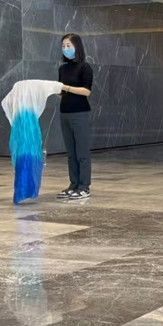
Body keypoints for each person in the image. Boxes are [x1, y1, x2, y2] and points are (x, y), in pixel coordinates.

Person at [56, 33, 94, 200]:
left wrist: (66, 87)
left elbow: (86, 91)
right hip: (65, 113)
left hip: (80, 113)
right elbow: (62, 93)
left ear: (77, 47)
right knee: (71, 152)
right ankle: (73, 184)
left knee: (82, 152)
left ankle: (84, 186)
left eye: (68, 46)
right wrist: (53, 90)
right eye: (63, 46)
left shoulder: (85, 67)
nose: (65, 49)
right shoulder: (62, 69)